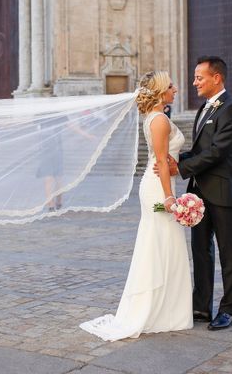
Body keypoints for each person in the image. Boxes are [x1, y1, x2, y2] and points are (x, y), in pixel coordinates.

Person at [80, 71, 192, 341]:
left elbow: (164, 160)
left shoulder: (152, 118)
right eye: (171, 86)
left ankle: (165, 309)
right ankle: (158, 310)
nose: (175, 89)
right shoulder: (160, 120)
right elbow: (162, 161)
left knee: (161, 243)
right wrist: (169, 197)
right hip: (157, 189)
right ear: (160, 91)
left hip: (155, 184)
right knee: (161, 243)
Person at [168, 56, 232, 331]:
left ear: (217, 78)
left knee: (228, 253)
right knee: (201, 251)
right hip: (199, 194)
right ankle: (201, 307)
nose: (194, 82)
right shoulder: (204, 108)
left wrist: (181, 167)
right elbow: (202, 150)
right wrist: (176, 158)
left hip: (224, 192)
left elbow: (219, 151)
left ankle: (228, 309)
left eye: (199, 77)